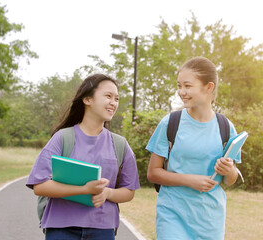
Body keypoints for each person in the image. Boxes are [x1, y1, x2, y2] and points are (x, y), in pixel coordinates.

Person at [26, 74, 140, 240]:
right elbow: (40, 185)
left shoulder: (120, 144)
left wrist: (107, 193)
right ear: (88, 99)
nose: (113, 103)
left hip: (103, 228)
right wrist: (85, 190)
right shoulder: (62, 138)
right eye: (108, 96)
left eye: (116, 98)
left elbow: (128, 191)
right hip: (61, 228)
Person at [146, 57, 240, 240]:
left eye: (188, 86)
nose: (181, 92)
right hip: (172, 214)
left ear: (209, 87)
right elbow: (153, 173)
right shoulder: (170, 123)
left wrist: (229, 170)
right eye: (179, 86)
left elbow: (230, 180)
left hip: (210, 220)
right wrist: (190, 180)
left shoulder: (226, 127)